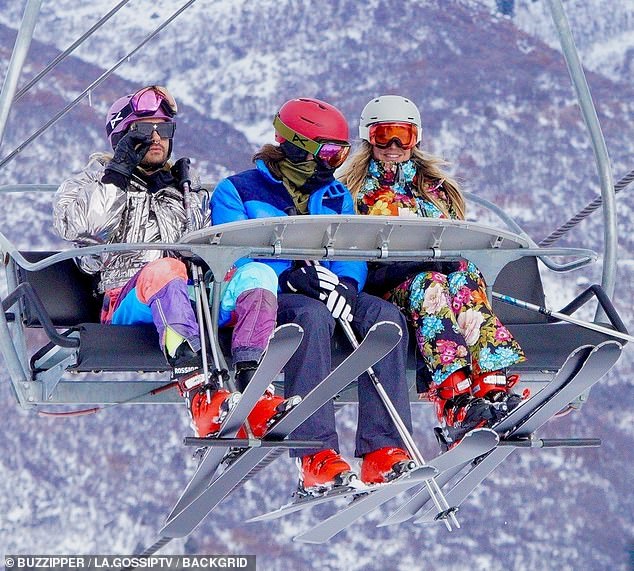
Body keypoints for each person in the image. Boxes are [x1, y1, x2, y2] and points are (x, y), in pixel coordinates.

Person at [53, 85, 284, 440]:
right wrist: (117, 174)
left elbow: (213, 249)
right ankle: (200, 392)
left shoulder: (185, 192)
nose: (157, 138)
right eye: (144, 131)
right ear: (122, 137)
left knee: (258, 274)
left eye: (165, 129)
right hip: (129, 300)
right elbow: (88, 239)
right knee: (165, 269)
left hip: (193, 297)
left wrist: (186, 205)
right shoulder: (86, 186)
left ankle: (255, 385)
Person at [211, 97, 415, 495]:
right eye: (327, 152)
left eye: (340, 153)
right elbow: (234, 255)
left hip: (325, 287)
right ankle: (316, 454)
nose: (334, 162)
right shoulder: (237, 191)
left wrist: (345, 285)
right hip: (267, 298)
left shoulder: (336, 194)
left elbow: (351, 250)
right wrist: (289, 277)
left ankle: (382, 449)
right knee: (310, 318)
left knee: (384, 317)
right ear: (297, 145)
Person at [339, 95, 526, 445]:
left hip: (439, 285)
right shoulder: (353, 192)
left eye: (402, 136)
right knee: (431, 283)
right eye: (384, 135)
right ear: (368, 138)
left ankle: (492, 386)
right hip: (386, 289)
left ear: (416, 139)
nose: (393, 146)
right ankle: (455, 399)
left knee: (464, 278)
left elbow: (459, 239)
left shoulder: (436, 191)